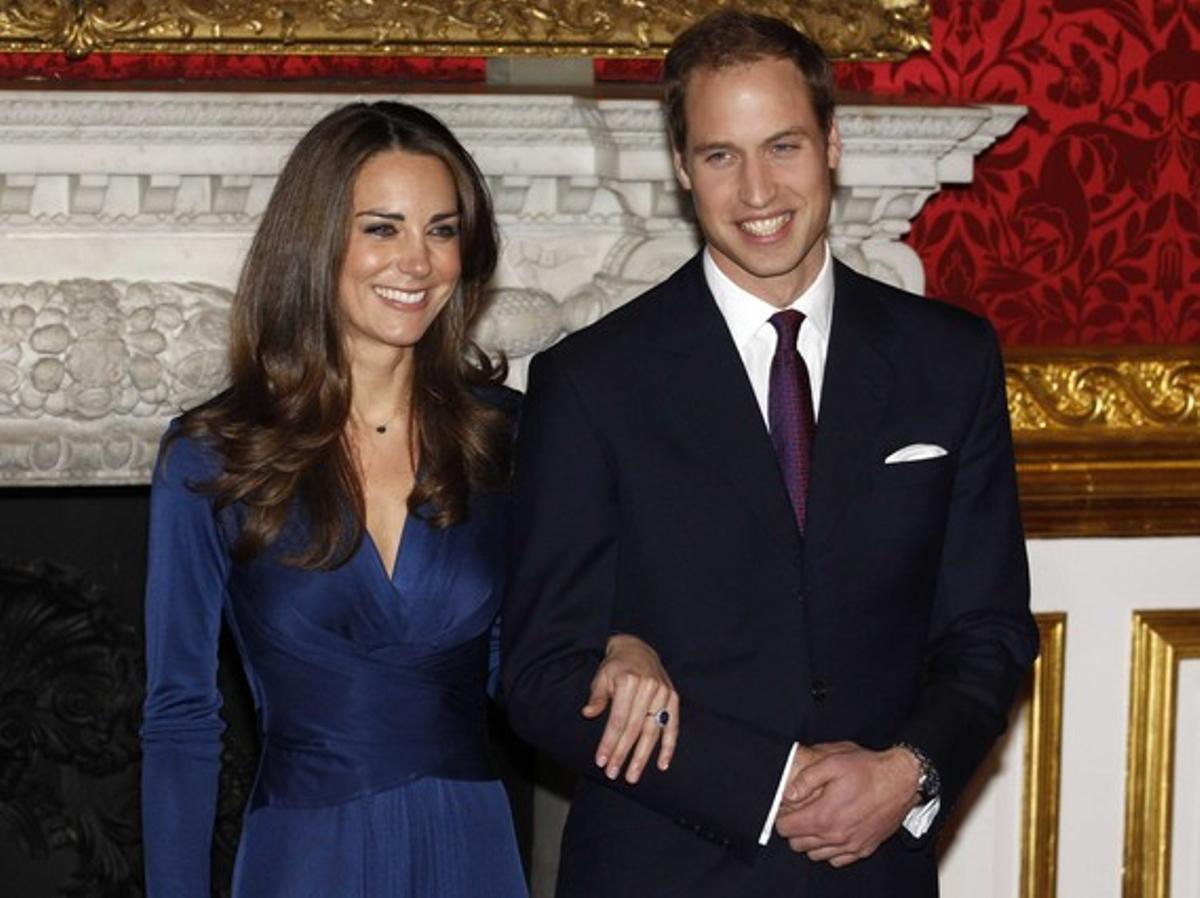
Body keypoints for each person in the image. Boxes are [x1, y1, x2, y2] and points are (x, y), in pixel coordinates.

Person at [502, 11, 1040, 898]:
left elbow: (988, 631)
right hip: (660, 867)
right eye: (721, 155)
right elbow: (540, 674)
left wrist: (907, 774)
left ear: (831, 143)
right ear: (683, 167)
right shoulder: (592, 380)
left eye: (782, 146)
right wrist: (765, 784)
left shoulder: (949, 359)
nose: (757, 189)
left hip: (872, 870)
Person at [139, 100, 673, 898]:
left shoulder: (506, 438)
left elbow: (531, 660)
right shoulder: (213, 456)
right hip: (304, 858)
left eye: (442, 230)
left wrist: (627, 642)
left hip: (472, 849)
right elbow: (180, 718)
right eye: (382, 228)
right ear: (317, 244)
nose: (417, 262)